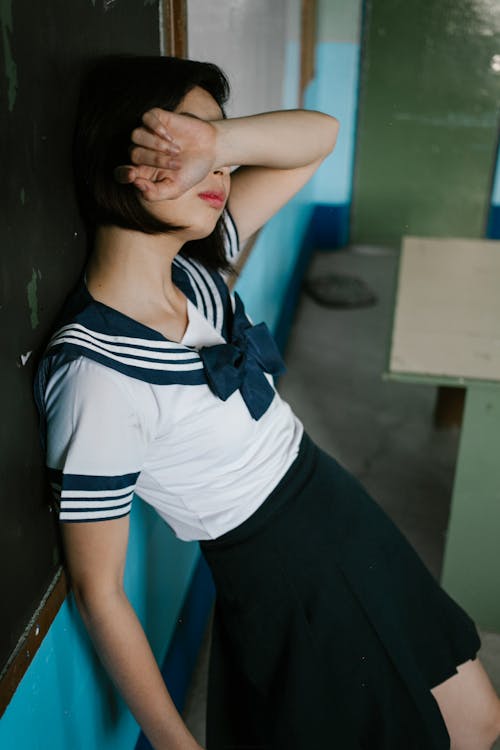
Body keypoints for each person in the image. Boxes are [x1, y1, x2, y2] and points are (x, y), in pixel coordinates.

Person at [34, 54, 500, 750]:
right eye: (185, 147)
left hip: (334, 500)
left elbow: (320, 135)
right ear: (123, 161)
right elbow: (99, 592)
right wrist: (176, 744)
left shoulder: (192, 273)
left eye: (217, 149)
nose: (216, 172)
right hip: (282, 570)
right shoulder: (98, 373)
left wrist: (220, 144)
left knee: (479, 718)